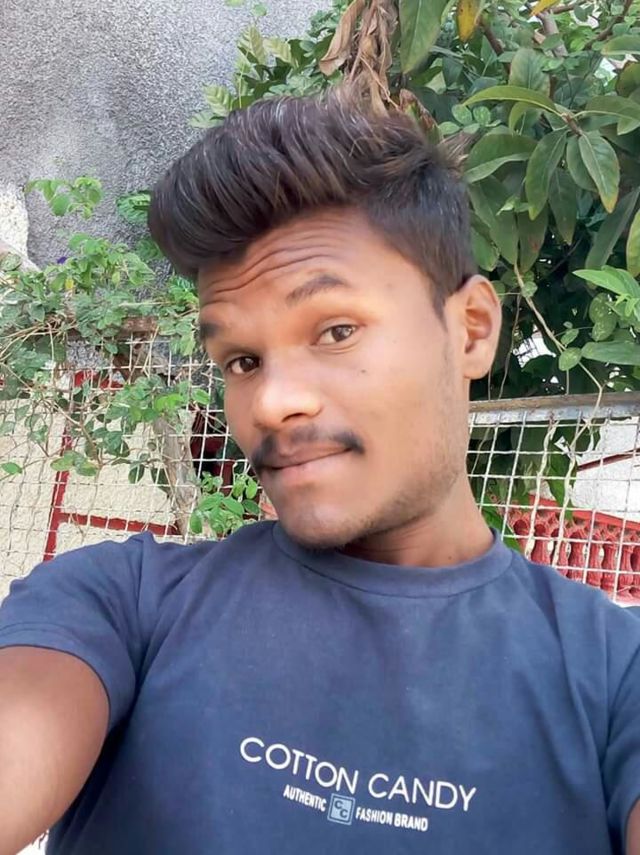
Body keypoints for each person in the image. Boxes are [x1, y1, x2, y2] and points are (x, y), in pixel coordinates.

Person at [0, 90, 639, 855]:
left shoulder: (615, 678)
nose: (272, 402)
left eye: (335, 330)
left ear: (471, 329)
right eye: (242, 360)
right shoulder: (118, 606)